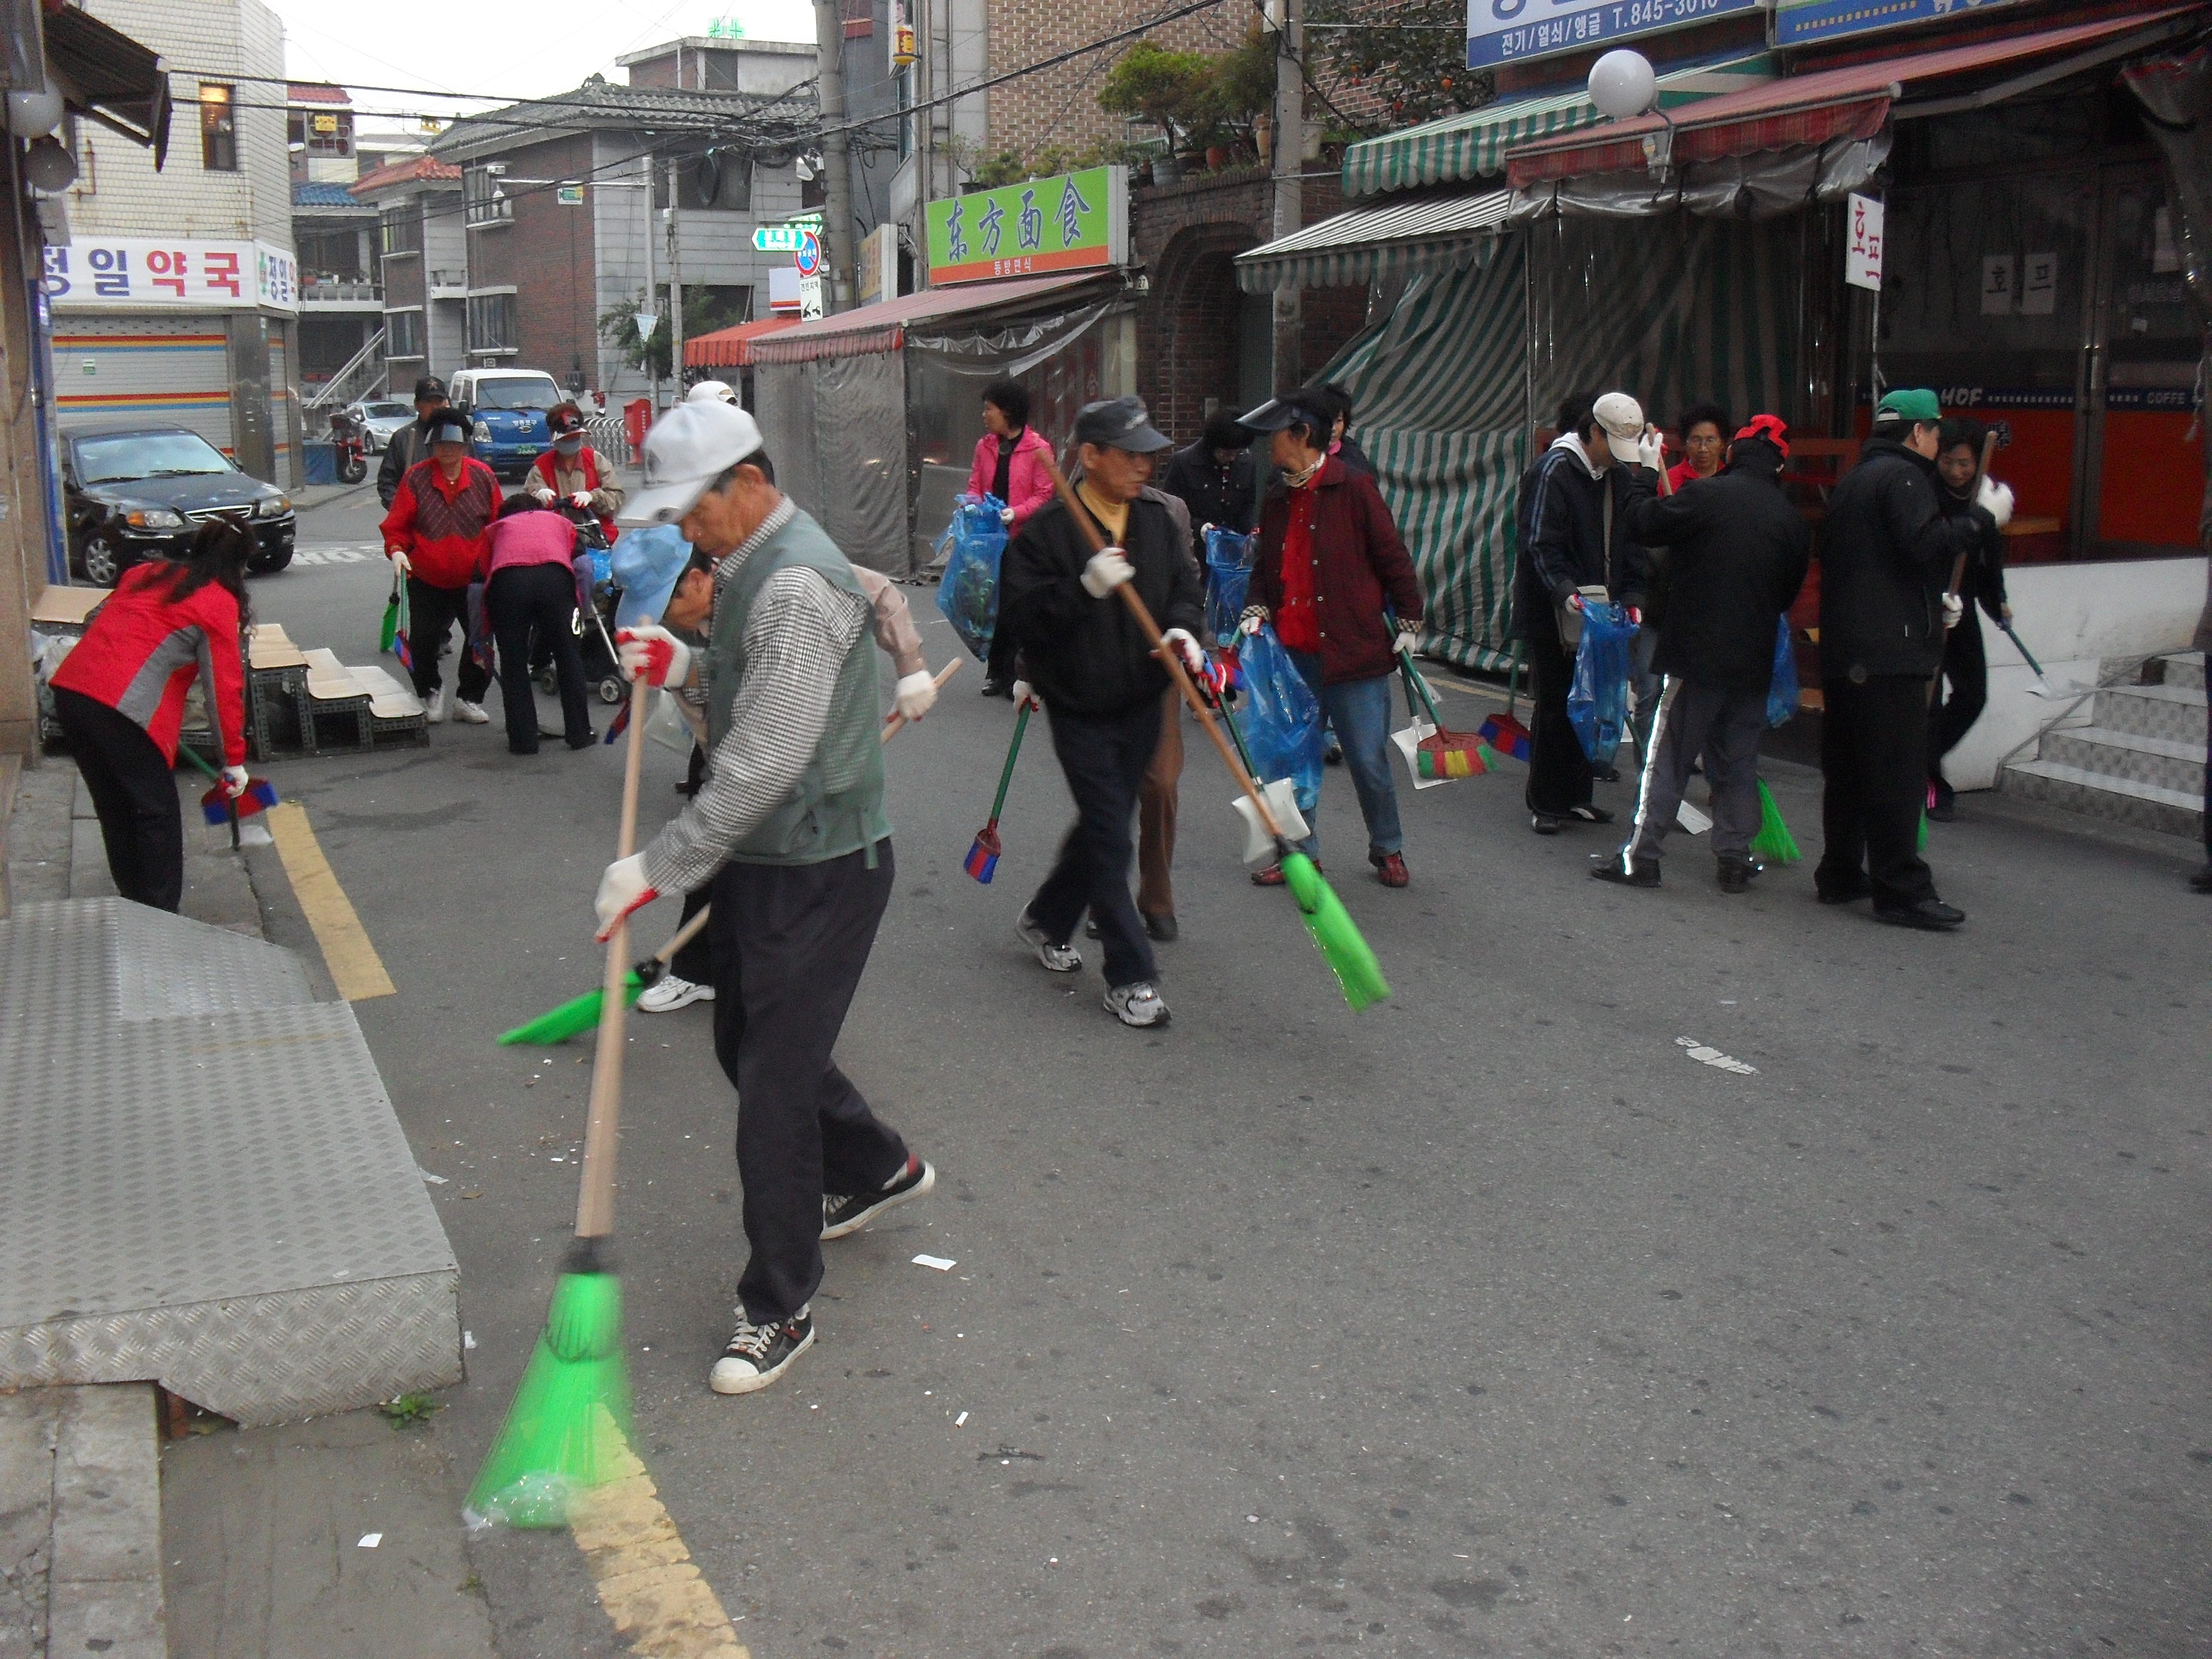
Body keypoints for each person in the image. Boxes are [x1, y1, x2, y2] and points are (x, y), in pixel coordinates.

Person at [595, 401, 934, 1396]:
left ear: (743, 483)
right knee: (742, 1043)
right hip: (769, 860)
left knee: (773, 1090)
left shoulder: (791, 581)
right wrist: (689, 668)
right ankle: (876, 1165)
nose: (682, 534)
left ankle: (777, 1302)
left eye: (689, 512)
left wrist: (660, 866)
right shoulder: (750, 568)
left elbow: (762, 760)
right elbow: (752, 695)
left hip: (822, 865)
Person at [612, 521, 941, 1014]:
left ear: (698, 581)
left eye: (667, 604)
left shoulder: (779, 581)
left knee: (782, 862)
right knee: (725, 844)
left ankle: (755, 982)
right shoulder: (683, 633)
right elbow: (708, 728)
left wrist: (911, 668)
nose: (664, 619)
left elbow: (880, 593)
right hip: (741, 735)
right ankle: (706, 970)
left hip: (813, 728)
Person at [999, 396, 1205, 1028]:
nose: (1146, 465)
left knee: (1102, 825)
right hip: (1079, 704)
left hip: (1143, 698)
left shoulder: (1154, 521)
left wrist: (1181, 632)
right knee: (1112, 833)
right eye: (1131, 453)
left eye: (1150, 453)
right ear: (1090, 456)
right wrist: (1081, 589)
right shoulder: (1050, 532)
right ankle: (1130, 975)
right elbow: (1018, 619)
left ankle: (1045, 917)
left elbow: (1182, 590)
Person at [1595, 415, 1810, 893]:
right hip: (1753, 659)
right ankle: (1734, 857)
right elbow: (1785, 594)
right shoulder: (1790, 520)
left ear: (1734, 452)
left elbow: (1642, 523)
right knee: (1738, 761)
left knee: (1667, 758)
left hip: (1696, 656)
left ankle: (1641, 857)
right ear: (1779, 462)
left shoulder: (1708, 496)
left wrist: (1647, 474)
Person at [1814, 388, 1996, 930]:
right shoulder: (1906, 478)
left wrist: (1929, 598)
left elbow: (1883, 559)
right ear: (1917, 433)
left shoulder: (1853, 482)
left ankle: (1842, 872)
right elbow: (1927, 543)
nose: (1939, 445)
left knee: (1847, 771)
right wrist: (1982, 520)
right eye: (1936, 433)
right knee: (1895, 774)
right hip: (1890, 652)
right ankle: (1902, 889)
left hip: (1848, 650)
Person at [1238, 395, 1426, 887]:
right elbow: (1264, 567)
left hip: (1354, 653)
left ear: (1301, 435)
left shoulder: (1355, 488)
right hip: (1294, 652)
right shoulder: (1277, 496)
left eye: (1275, 435)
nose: (1267, 448)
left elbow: (1393, 558)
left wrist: (1409, 619)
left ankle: (1388, 847)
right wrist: (1257, 608)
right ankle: (1302, 855)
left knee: (1367, 758)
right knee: (1294, 758)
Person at [49, 518, 255, 912]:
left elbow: (97, 620)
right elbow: (223, 690)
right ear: (239, 565)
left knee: (115, 807)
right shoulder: (217, 603)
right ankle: (160, 914)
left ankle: (135, 903)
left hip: (72, 692)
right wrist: (234, 761)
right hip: (122, 708)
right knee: (155, 811)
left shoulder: (145, 573)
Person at [1509, 391, 1654, 834]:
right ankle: (1547, 801)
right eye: (1613, 447)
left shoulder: (1618, 478)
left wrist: (1633, 597)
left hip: (1601, 608)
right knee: (1556, 703)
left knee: (1590, 702)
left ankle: (1576, 797)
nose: (1619, 459)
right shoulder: (1553, 470)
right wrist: (1565, 593)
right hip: (1555, 612)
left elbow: (1633, 544)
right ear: (1592, 432)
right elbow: (1538, 542)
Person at [380, 408, 500, 724]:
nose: (448, 450)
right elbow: (397, 525)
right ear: (432, 446)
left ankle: (469, 698)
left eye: (454, 444)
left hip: (473, 577)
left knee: (480, 639)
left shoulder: (484, 477)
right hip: (425, 575)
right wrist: (396, 550)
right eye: (441, 445)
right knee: (422, 639)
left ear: (464, 446)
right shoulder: (415, 478)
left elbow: (499, 524)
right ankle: (430, 690)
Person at [1926, 416, 2013, 820]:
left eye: (1965, 464)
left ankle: (1916, 758)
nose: (1957, 472)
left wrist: (1998, 603)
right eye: (1949, 461)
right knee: (1925, 700)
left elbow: (1988, 558)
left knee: (1972, 694)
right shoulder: (1922, 491)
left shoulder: (1986, 496)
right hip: (1925, 607)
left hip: (1962, 608)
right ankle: (1931, 785)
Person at [482, 495, 595, 755]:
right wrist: (579, 613)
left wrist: (482, 635)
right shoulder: (558, 521)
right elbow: (581, 564)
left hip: (508, 584)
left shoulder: (497, 529)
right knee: (569, 656)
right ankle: (579, 733)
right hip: (555, 581)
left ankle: (523, 740)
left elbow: (481, 580)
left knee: (513, 664)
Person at [967, 378, 1055, 698]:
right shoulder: (985, 446)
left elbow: (1046, 494)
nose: (985, 415)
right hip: (990, 540)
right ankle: (997, 673)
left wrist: (1015, 513)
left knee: (1020, 608)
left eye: (989, 409)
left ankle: (1021, 674)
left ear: (1007, 411)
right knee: (992, 607)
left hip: (1024, 541)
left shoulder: (1038, 449)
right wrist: (973, 507)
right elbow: (976, 485)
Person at [1158, 411, 1260, 556]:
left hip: (1233, 553)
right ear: (1212, 446)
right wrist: (1200, 528)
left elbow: (1248, 506)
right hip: (1194, 552)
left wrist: (1252, 529)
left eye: (1237, 452)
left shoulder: (1246, 463)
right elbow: (1169, 511)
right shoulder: (1183, 463)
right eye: (1226, 453)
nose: (1232, 458)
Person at [527, 401, 626, 549]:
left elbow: (616, 500)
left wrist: (593, 497)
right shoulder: (541, 467)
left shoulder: (596, 460)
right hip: (554, 542)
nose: (570, 442)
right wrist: (538, 496)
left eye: (574, 437)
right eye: (565, 439)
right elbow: (525, 510)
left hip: (594, 540)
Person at [376, 375, 450, 509]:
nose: (435, 407)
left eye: (439, 402)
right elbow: (387, 482)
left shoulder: (459, 436)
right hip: (416, 520)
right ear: (417, 405)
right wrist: (401, 510)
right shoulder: (403, 438)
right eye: (429, 402)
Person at [1299, 382, 1376, 477]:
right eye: (1325, 421)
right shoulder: (1294, 454)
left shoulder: (1354, 459)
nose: (1333, 429)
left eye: (1338, 421)